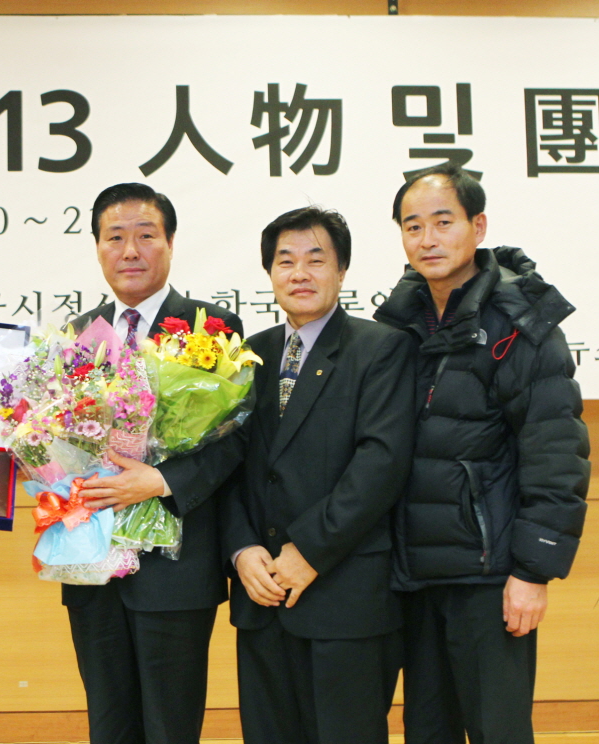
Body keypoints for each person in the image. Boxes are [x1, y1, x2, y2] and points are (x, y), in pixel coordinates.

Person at [374, 162, 590, 744]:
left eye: (444, 222)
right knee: (426, 728)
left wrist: (532, 570)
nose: (428, 238)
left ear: (479, 226)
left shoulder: (521, 323)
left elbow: (557, 453)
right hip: (413, 574)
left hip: (490, 576)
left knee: (498, 730)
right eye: (413, 225)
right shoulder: (396, 324)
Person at [222, 206, 415, 744]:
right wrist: (241, 551)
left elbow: (381, 464)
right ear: (270, 274)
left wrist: (307, 552)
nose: (299, 273)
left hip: (344, 596)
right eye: (285, 261)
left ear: (342, 271)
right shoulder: (247, 356)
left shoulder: (381, 348)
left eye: (316, 259)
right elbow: (226, 465)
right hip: (261, 597)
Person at [63, 182, 244, 744]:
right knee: (108, 722)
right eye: (115, 237)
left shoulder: (210, 329)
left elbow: (235, 439)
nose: (130, 251)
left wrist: (161, 479)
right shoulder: (74, 336)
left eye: (146, 236)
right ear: (97, 248)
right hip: (91, 562)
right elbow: (54, 442)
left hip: (177, 567)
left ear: (169, 244)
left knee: (171, 725)